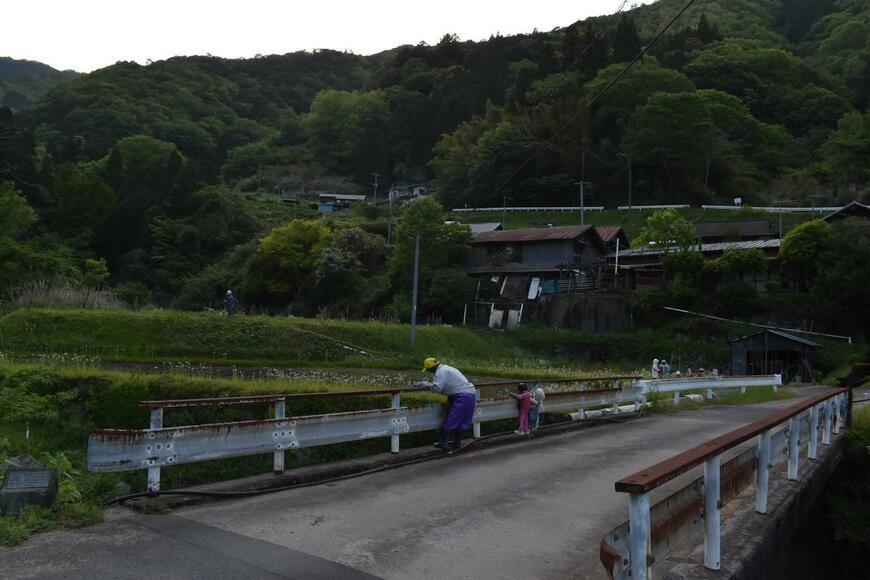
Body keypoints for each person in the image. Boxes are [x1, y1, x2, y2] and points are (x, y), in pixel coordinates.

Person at [415, 358, 477, 449]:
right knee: (460, 419)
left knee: (451, 418)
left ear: (432, 368)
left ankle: (443, 442)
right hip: (467, 394)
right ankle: (456, 442)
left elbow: (437, 388)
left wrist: (425, 384)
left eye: (428, 370)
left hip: (462, 395)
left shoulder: (441, 372)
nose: (429, 372)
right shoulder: (446, 368)